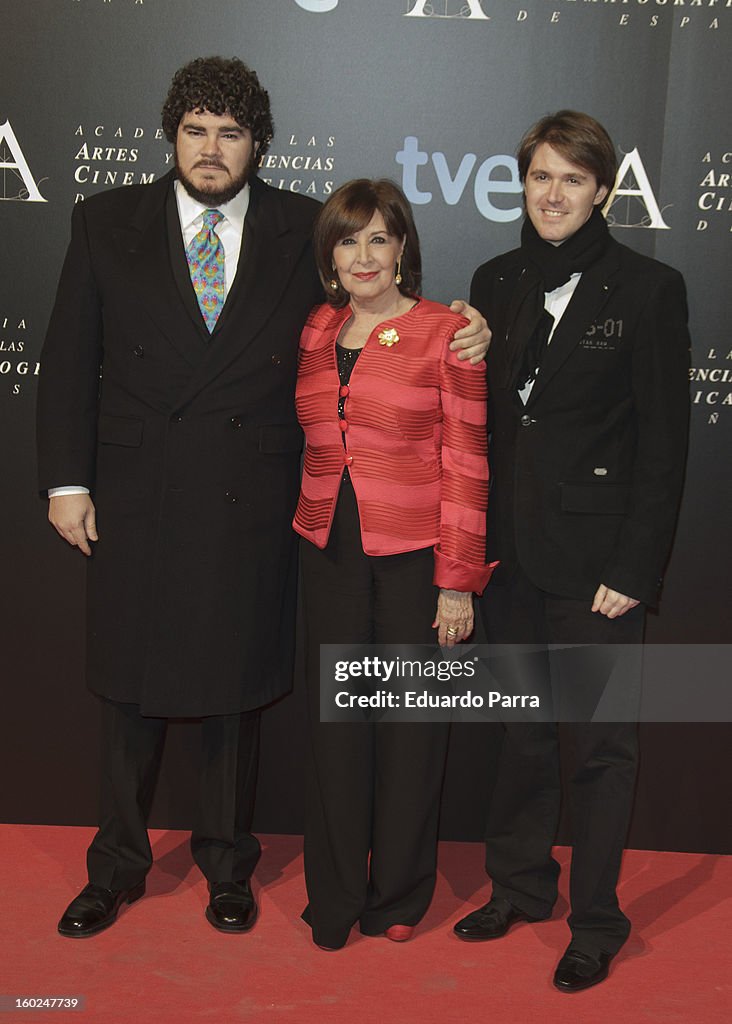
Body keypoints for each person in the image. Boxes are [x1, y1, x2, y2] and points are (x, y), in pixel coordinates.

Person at [37, 58, 490, 939]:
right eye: (196, 130)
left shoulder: (300, 228)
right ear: (171, 134)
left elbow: (378, 322)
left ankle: (226, 866)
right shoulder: (104, 221)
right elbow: (65, 365)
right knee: (128, 691)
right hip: (134, 498)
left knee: (235, 691)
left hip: (254, 505)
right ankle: (117, 866)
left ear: (257, 143)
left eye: (231, 133)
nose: (212, 150)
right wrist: (66, 480)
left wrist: (471, 326)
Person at [453, 111, 690, 990]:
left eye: (571, 180)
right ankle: (518, 885)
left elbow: (665, 447)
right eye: (539, 177)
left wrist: (634, 569)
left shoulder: (648, 290)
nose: (552, 195)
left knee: (598, 749)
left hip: (596, 570)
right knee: (517, 736)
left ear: (602, 192)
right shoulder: (496, 277)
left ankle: (596, 919)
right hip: (507, 558)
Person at [292, 179, 496, 950]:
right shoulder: (317, 328)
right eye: (349, 240)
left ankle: (401, 894)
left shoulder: (448, 331)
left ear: (404, 247)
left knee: (412, 732)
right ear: (329, 256)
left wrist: (457, 581)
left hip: (417, 560)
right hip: (328, 551)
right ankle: (335, 896)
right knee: (335, 733)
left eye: (380, 238)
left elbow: (468, 461)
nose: (364, 255)